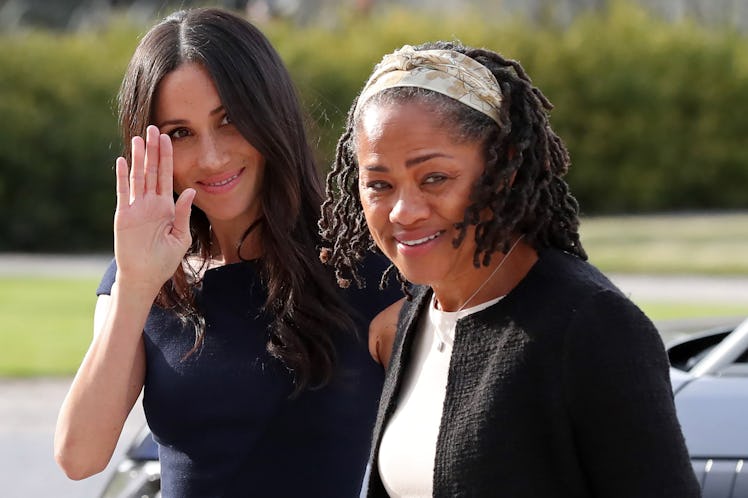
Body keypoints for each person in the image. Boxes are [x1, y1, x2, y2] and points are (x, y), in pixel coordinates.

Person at [319, 42, 702, 497]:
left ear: (505, 172)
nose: (403, 211)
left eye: (435, 178)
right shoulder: (415, 318)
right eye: (379, 184)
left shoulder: (590, 325)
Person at [53, 7, 400, 497]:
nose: (212, 157)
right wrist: (135, 283)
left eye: (230, 121)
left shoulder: (365, 265)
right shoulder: (142, 275)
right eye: (180, 133)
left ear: (270, 113)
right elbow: (79, 456)